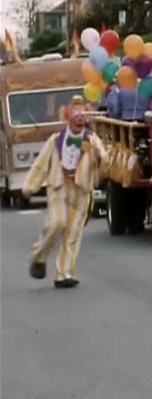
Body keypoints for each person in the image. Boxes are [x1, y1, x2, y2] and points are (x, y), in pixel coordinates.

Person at [23, 96, 106, 289]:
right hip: (59, 187)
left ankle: (64, 274)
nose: (79, 119)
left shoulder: (91, 140)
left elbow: (105, 158)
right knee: (57, 223)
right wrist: (30, 186)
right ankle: (38, 255)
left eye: (82, 116)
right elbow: (40, 165)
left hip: (81, 190)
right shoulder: (56, 140)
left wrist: (98, 157)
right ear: (68, 117)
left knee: (73, 232)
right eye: (75, 115)